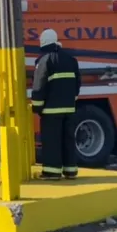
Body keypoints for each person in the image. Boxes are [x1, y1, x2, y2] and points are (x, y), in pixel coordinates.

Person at [31, 29, 82, 180]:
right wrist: (71, 99)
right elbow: (77, 82)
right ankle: (70, 170)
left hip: (51, 111)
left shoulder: (44, 60)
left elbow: (39, 86)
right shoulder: (71, 59)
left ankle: (52, 172)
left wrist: (36, 107)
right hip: (69, 108)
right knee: (68, 139)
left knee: (52, 141)